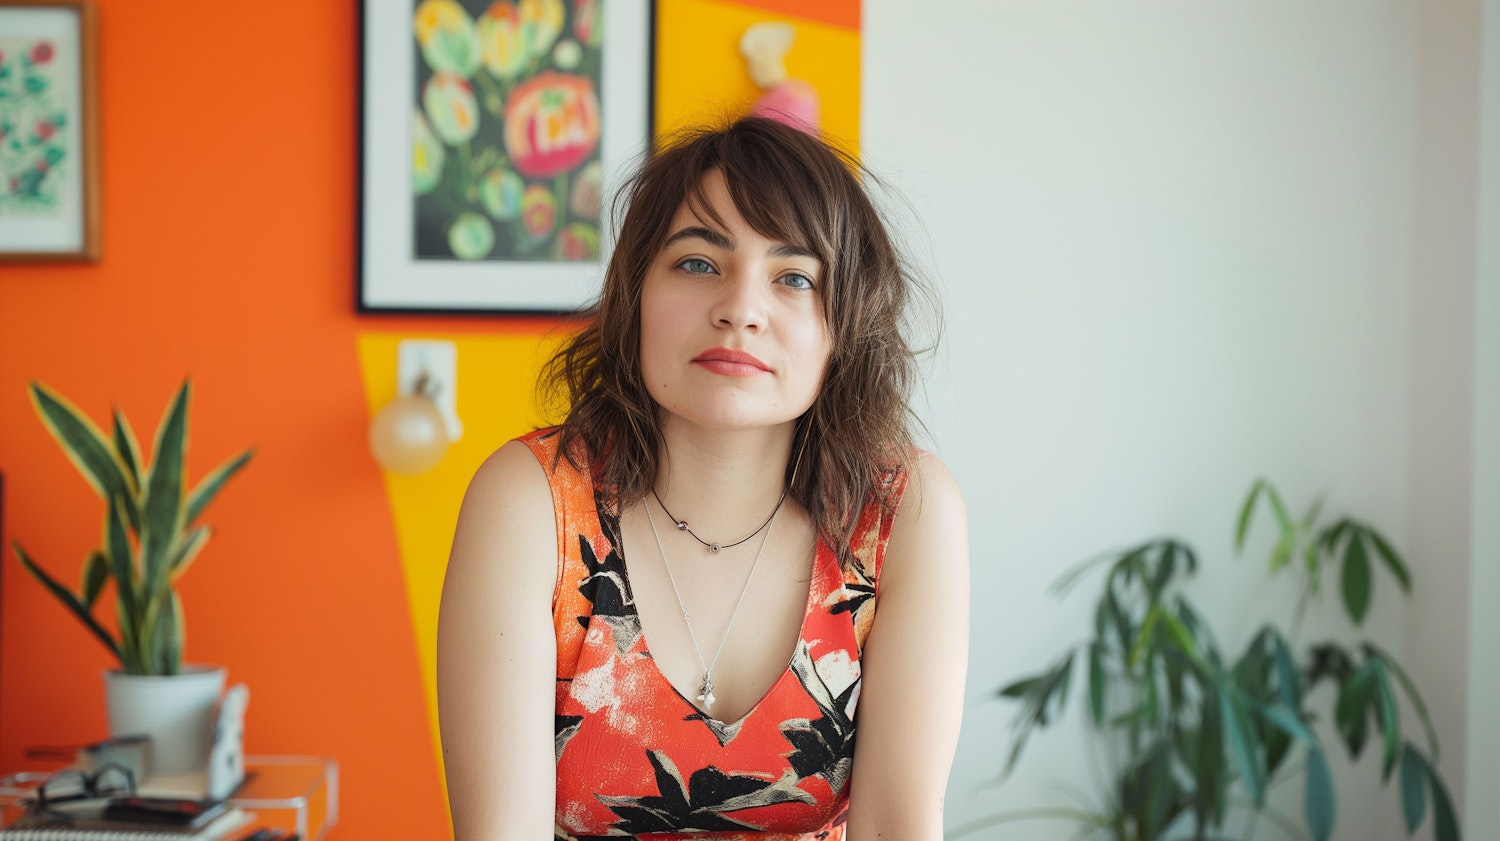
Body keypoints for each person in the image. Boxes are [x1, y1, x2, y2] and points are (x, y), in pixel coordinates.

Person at [437, 116, 969, 840]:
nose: (739, 310)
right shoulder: (531, 501)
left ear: (843, 326)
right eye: (697, 262)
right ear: (635, 295)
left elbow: (895, 830)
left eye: (793, 277)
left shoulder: (902, 512)